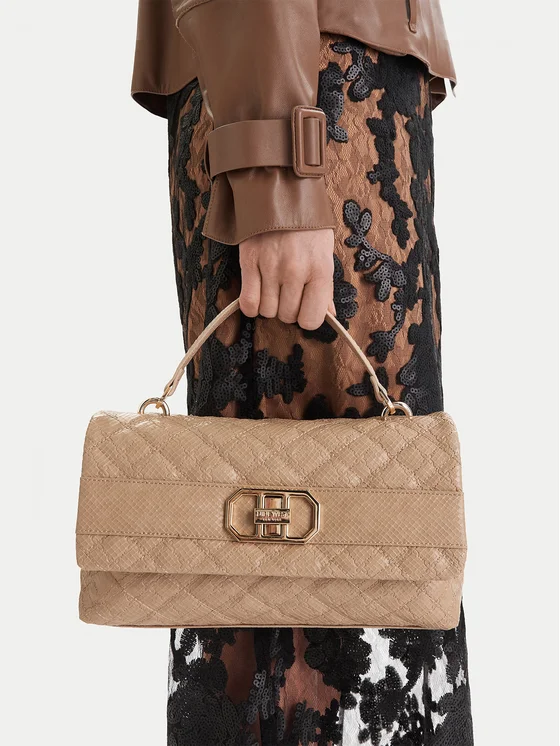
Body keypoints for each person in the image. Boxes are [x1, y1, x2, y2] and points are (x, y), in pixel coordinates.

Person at [131, 1, 473, 743]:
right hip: (313, 102)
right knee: (304, 599)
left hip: (336, 95)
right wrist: (278, 166)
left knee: (376, 561)